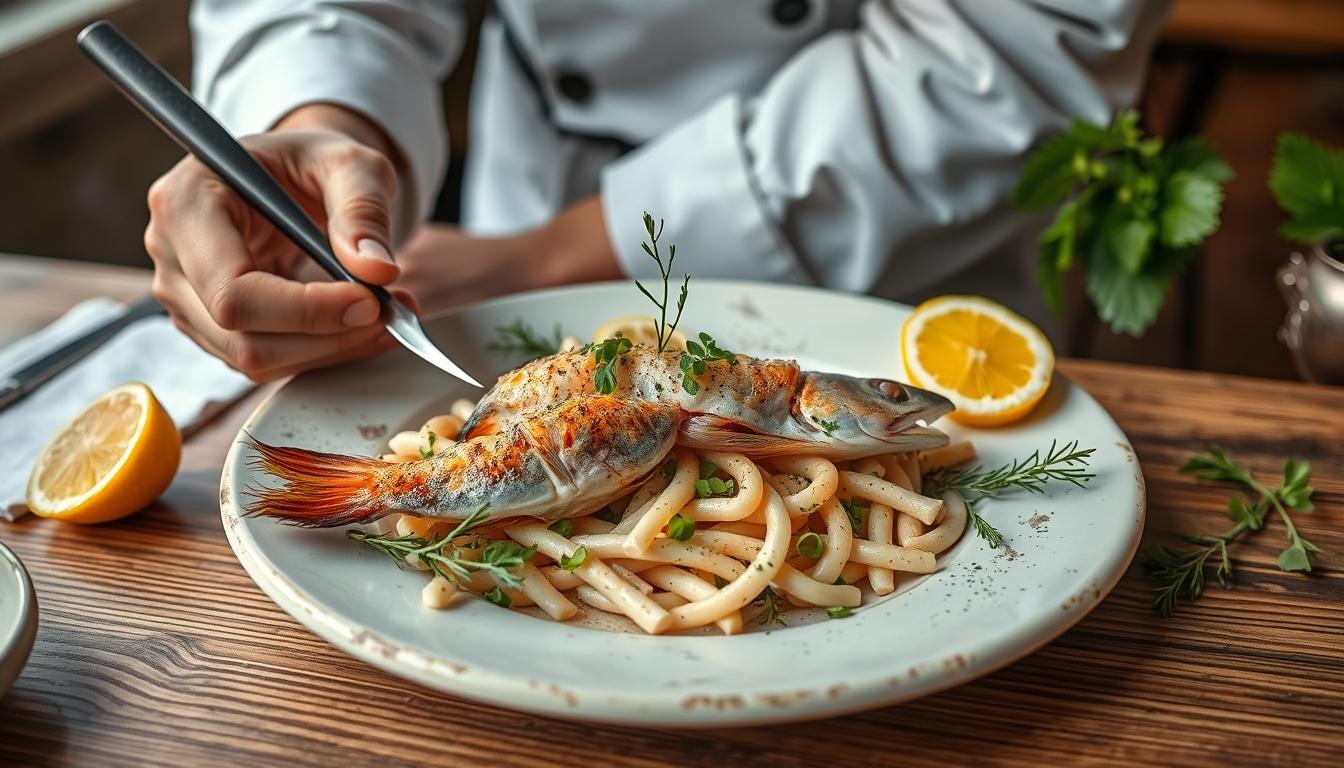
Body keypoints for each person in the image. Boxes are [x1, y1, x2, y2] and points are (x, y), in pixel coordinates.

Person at [146, 0, 1167, 382]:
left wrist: (538, 259)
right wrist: (321, 129)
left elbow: (1016, 40)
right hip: (517, 204)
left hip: (900, 251)